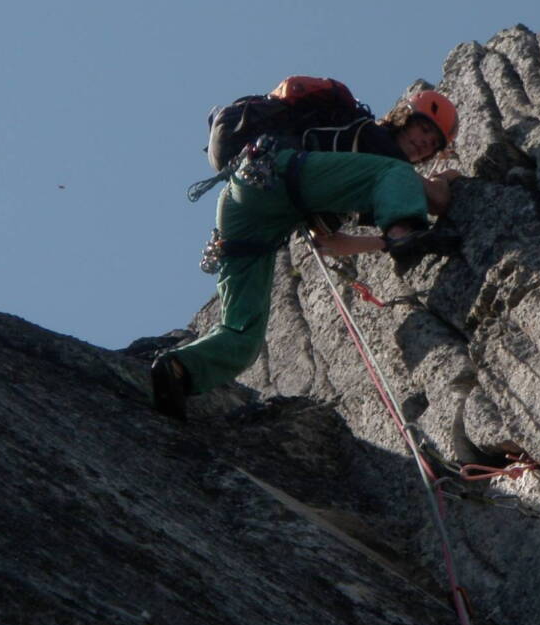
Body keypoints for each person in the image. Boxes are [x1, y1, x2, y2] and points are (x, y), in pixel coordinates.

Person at [152, 90, 461, 419]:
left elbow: (327, 243)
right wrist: (445, 180)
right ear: (403, 119)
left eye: (432, 144)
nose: (424, 143)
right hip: (278, 174)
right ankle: (403, 231)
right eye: (423, 130)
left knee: (244, 333)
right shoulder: (370, 136)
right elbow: (434, 199)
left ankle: (178, 371)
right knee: (397, 176)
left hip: (248, 205)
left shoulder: (356, 165)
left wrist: (384, 244)